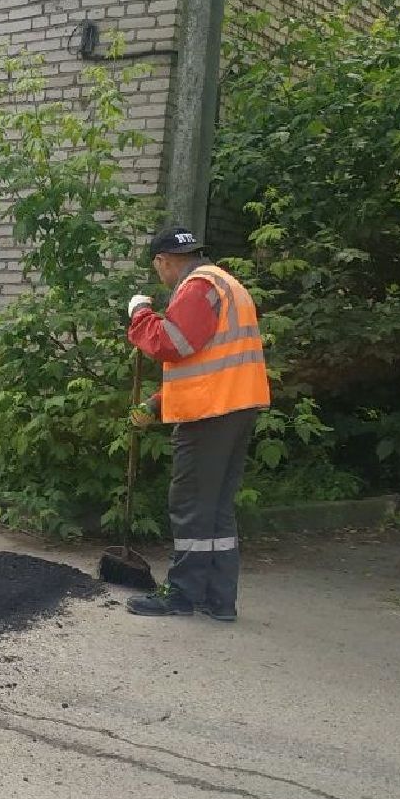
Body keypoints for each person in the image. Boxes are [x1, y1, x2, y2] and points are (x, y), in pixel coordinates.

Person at [124, 227, 271, 621]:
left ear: (163, 261)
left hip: (209, 414)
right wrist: (158, 403)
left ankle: (182, 595)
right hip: (235, 407)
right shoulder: (227, 284)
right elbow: (207, 360)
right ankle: (218, 599)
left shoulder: (198, 287)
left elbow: (173, 343)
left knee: (190, 504)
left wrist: (140, 314)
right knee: (216, 509)